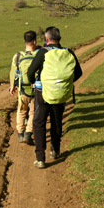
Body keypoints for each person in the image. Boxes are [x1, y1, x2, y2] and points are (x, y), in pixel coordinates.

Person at [27, 26, 82, 168]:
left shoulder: (42, 53)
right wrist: (64, 84)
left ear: (46, 39)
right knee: (57, 122)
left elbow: (30, 72)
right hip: (61, 93)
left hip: (43, 93)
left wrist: (34, 83)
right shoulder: (68, 52)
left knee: (39, 122)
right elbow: (78, 73)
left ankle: (40, 158)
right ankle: (55, 150)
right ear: (60, 39)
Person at [9, 30, 38, 144]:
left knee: (21, 111)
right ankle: (28, 133)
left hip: (22, 89)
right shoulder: (39, 55)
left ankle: (20, 134)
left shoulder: (18, 55)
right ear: (35, 41)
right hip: (35, 89)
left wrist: (12, 86)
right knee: (33, 112)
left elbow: (12, 72)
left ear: (24, 41)